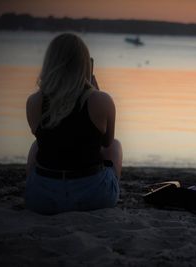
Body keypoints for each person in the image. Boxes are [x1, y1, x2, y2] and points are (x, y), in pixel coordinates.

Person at [25, 33, 123, 215]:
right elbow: (106, 143)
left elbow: (49, 142)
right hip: (94, 198)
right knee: (116, 146)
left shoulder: (34, 101)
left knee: (36, 145)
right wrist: (95, 93)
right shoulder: (101, 100)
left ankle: (38, 184)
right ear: (85, 65)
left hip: (41, 200)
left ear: (50, 64)